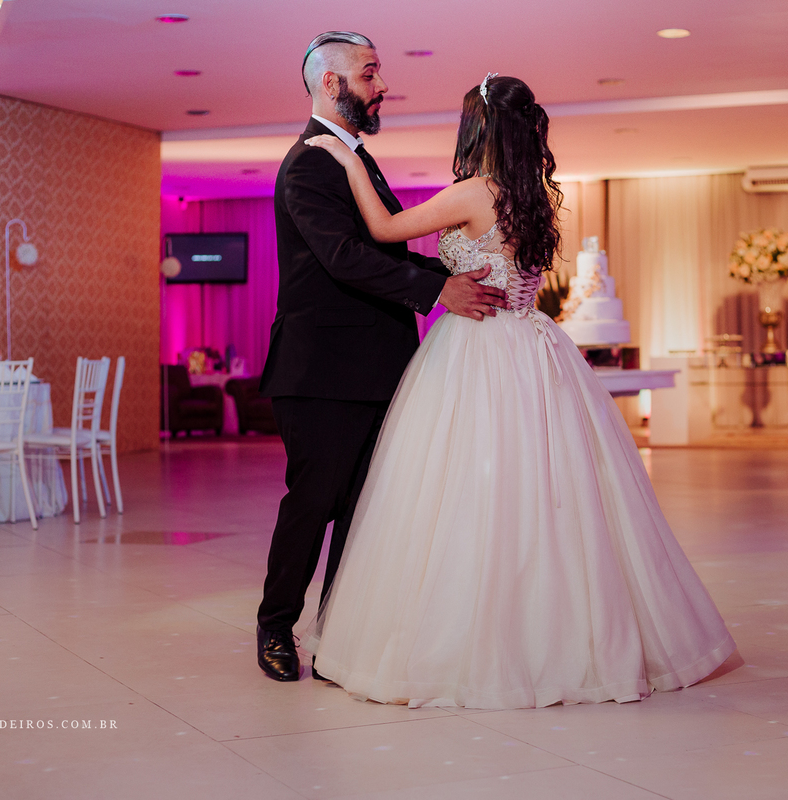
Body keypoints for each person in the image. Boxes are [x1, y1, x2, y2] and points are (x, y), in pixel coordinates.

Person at [303, 74, 736, 708]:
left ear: (478, 129)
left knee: (469, 489)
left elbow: (387, 227)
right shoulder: (535, 195)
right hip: (535, 343)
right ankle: (568, 633)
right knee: (550, 492)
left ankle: (489, 642)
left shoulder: (474, 191)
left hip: (479, 345)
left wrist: (347, 159)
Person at [255, 32, 508, 683]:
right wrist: (437, 288)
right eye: (370, 74)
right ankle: (276, 626)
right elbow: (343, 258)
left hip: (376, 368)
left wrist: (452, 270)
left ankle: (338, 633)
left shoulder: (354, 158)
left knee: (365, 513)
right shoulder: (311, 161)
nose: (382, 84)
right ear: (332, 83)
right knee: (313, 503)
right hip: (321, 373)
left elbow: (385, 250)